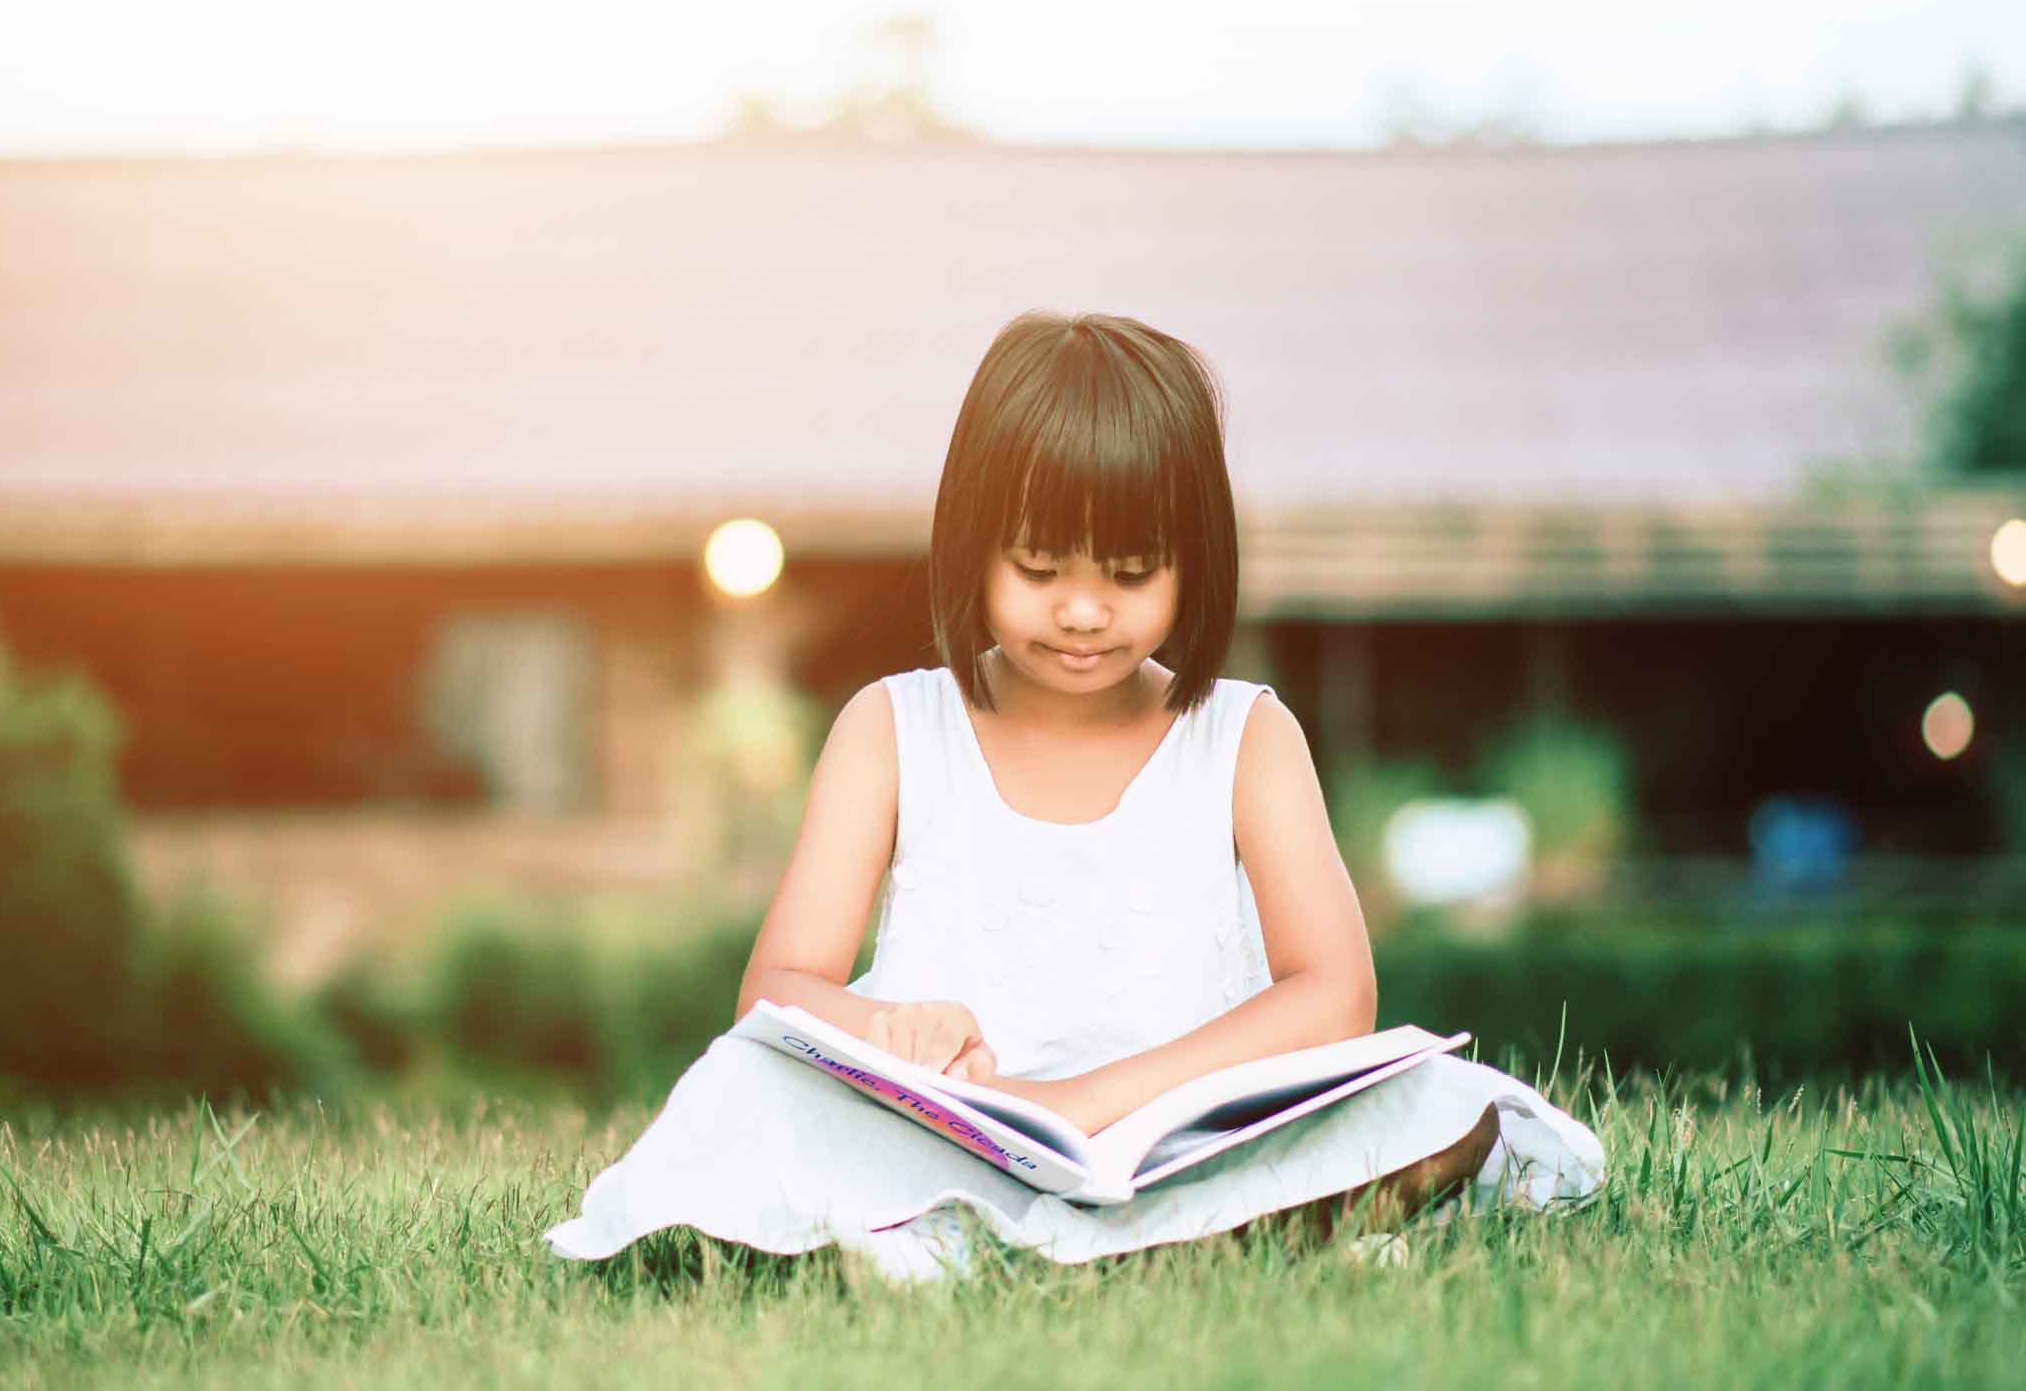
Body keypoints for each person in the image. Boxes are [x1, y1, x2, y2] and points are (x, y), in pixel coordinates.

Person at [546, 311, 1606, 1281]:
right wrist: (890, 1026)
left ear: (1196, 565)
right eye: (1041, 566)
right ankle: (1150, 1245)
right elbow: (777, 991)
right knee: (741, 1090)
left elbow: (1336, 994)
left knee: (1433, 1101)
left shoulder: (1245, 738)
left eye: (1133, 571)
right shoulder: (893, 728)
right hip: (949, 1139)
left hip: (1183, 1138)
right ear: (971, 546)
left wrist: (1086, 1106)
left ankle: (1028, 1243)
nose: (1086, 611)